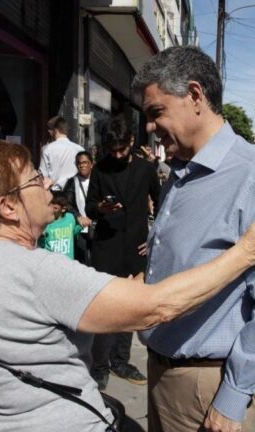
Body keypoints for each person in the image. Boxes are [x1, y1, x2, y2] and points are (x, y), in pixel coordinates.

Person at [0, 140, 255, 431]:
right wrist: (246, 253)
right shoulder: (36, 272)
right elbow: (158, 307)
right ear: (8, 207)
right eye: (34, 179)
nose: (47, 183)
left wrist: (127, 289)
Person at [133, 46, 255, 432]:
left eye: (155, 112)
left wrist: (233, 396)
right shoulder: (180, 172)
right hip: (164, 372)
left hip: (206, 389)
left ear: (195, 96)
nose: (148, 126)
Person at [86, 118, 161, 389]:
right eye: (112, 150)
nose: (117, 155)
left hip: (136, 248)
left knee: (129, 308)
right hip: (106, 246)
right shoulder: (100, 169)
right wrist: (100, 210)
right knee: (106, 308)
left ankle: (121, 361)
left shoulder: (145, 169)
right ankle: (99, 366)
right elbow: (89, 206)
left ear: (131, 142)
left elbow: (162, 201)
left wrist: (154, 238)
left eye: (121, 149)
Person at [63, 151, 94, 264]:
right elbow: (66, 202)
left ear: (91, 164)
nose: (82, 165)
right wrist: (78, 217)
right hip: (80, 227)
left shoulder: (99, 179)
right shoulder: (72, 182)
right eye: (79, 163)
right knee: (83, 260)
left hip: (97, 227)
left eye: (85, 162)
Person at [41, 115, 85, 190]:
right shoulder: (80, 149)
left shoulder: (47, 149)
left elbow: (43, 176)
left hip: (55, 194)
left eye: (50, 130)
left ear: (56, 130)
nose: (49, 133)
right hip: (75, 194)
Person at [38, 191, 81, 259]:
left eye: (55, 208)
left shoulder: (70, 218)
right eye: (49, 206)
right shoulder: (45, 222)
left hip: (68, 261)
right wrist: (41, 237)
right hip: (52, 263)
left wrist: (81, 226)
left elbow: (72, 233)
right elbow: (41, 244)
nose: (51, 210)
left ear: (63, 209)